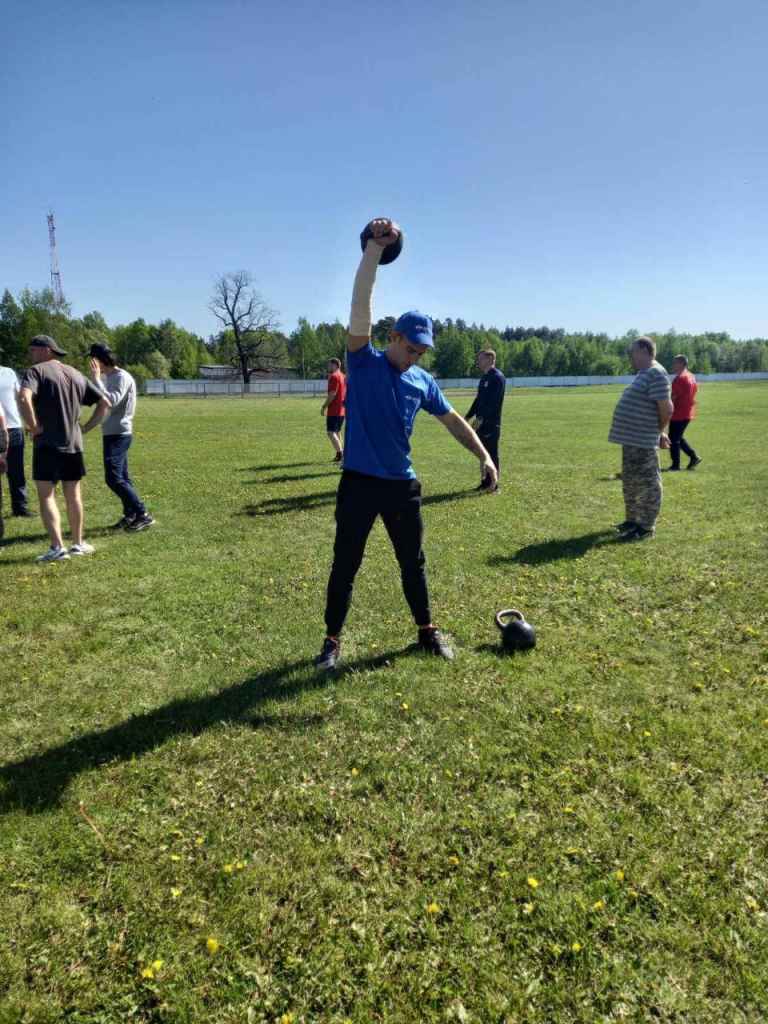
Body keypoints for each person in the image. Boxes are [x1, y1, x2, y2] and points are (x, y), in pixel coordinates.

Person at [314, 218, 498, 671]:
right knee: (345, 565)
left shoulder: (421, 381)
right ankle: (332, 641)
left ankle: (426, 631)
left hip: (401, 487)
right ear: (392, 336)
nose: (415, 357)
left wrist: (484, 456)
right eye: (410, 347)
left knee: (413, 563)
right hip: (358, 483)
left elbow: (453, 421)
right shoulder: (363, 362)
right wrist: (374, 251)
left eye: (421, 352)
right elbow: (361, 304)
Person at [17, 335, 111, 562]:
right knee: (74, 494)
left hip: (47, 444)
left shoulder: (36, 371)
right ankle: (78, 544)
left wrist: (33, 426)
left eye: (33, 350)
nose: (31, 355)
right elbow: (104, 403)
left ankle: (57, 548)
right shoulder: (75, 373)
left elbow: (24, 397)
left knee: (46, 495)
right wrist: (86, 428)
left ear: (46, 350)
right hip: (73, 444)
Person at [608, 336, 673, 542]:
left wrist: (658, 432)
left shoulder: (657, 373)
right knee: (631, 481)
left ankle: (646, 526)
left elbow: (666, 408)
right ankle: (633, 520)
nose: (631, 357)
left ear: (645, 351)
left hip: (643, 440)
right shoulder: (644, 373)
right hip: (633, 439)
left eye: (633, 352)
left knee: (648, 483)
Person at [86, 342, 155, 530]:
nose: (90, 364)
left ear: (100, 360)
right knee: (122, 477)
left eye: (92, 359)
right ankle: (130, 514)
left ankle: (143, 514)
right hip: (110, 433)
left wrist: (96, 379)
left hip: (120, 433)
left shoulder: (121, 376)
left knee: (113, 478)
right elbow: (100, 400)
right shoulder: (108, 377)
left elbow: (112, 401)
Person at [465, 348, 506, 491]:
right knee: (483, 453)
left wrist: (481, 418)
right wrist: (468, 416)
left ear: (490, 359)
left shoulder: (497, 377)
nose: (478, 361)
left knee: (492, 453)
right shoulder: (484, 378)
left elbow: (494, 403)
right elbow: (478, 400)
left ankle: (494, 485)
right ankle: (485, 482)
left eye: (481, 358)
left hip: (491, 423)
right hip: (480, 422)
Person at [0, 352, 31, 516]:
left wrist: (27, 421)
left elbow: (21, 398)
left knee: (16, 470)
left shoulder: (9, 372)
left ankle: (20, 508)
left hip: (14, 426)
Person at [669, 355, 702, 471]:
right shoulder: (691, 376)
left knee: (673, 439)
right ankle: (694, 457)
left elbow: (673, 397)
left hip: (678, 413)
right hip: (688, 412)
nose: (672, 365)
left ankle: (675, 465)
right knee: (677, 437)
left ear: (681, 364)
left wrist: (666, 409)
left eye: (675, 363)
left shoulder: (679, 379)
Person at [320, 357, 346, 462]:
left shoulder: (335, 377)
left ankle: (341, 455)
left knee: (331, 432)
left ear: (335, 365)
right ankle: (341, 454)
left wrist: (324, 406)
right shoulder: (343, 376)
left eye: (329, 364)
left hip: (334, 410)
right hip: (342, 409)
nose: (328, 366)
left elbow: (332, 394)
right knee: (337, 432)